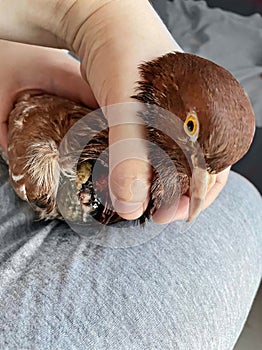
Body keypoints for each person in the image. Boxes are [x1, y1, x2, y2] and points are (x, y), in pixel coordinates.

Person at [0, 1, 261, 349]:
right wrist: (88, 13)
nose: (201, 181)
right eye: (190, 125)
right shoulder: (50, 160)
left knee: (242, 202)